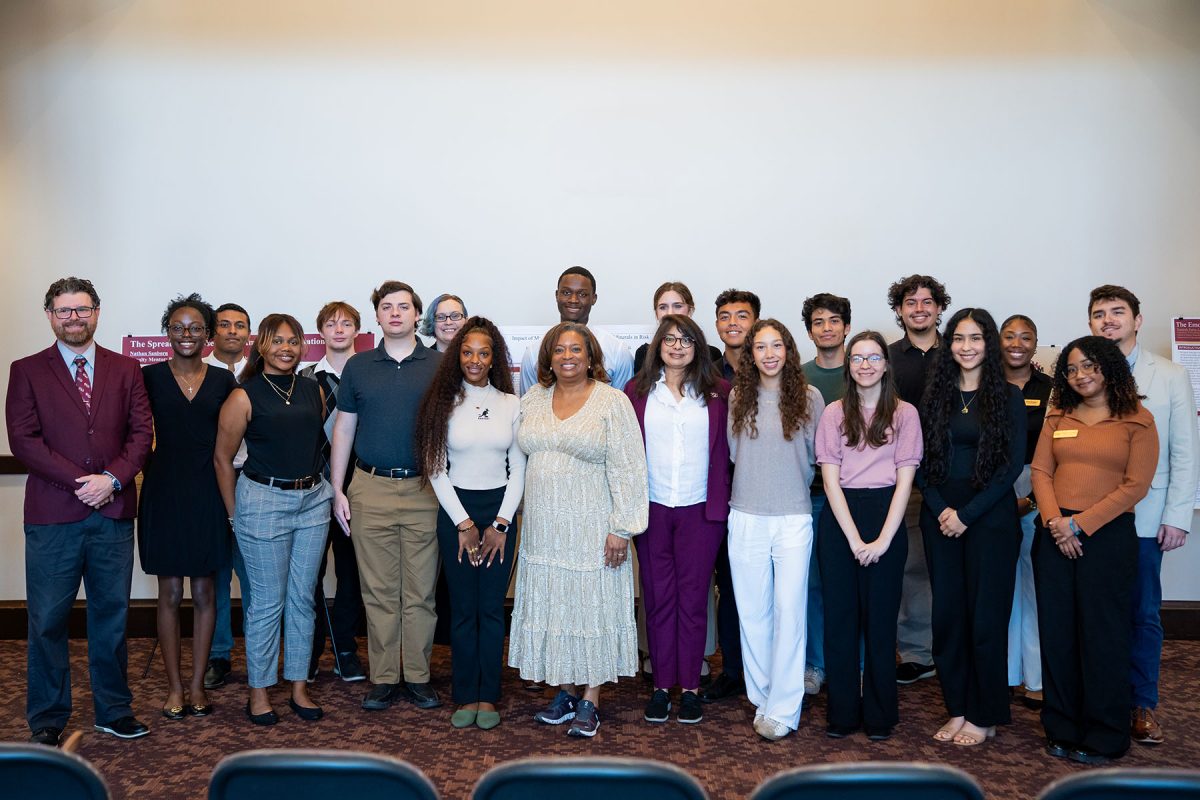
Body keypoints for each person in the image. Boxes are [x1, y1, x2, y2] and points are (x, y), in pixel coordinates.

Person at [6, 277, 153, 745]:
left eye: (82, 309)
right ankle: (48, 717)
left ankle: (113, 709)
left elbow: (140, 434)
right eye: (64, 311)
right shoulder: (26, 370)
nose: (74, 318)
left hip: (111, 514)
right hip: (53, 517)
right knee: (47, 620)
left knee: (111, 617)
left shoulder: (127, 368)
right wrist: (81, 483)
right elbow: (24, 441)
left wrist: (112, 480)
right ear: (50, 315)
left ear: (97, 312)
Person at [509, 322, 649, 738]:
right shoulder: (533, 399)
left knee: (592, 608)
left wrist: (622, 528)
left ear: (591, 358)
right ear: (548, 358)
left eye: (576, 349)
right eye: (559, 350)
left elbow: (630, 468)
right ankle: (566, 692)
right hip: (544, 529)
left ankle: (591, 698)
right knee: (556, 606)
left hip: (593, 527)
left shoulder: (612, 402)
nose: (567, 356)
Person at [1032, 335, 1158, 765]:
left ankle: (1106, 733)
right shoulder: (1057, 416)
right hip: (1053, 533)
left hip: (1105, 537)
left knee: (1102, 635)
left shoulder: (1138, 419)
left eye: (1089, 366)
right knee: (1058, 632)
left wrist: (1079, 526)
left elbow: (1135, 486)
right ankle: (1061, 725)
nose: (1080, 375)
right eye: (1071, 368)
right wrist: (1056, 523)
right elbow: (1041, 471)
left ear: (1108, 368)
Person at [1087, 285, 1199, 746]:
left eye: (1118, 312)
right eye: (1099, 314)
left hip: (1146, 516)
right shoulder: (1081, 374)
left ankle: (1141, 704)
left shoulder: (1169, 376)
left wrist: (1178, 516)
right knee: (1095, 613)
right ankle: (1100, 699)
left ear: (1137, 319)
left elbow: (1186, 453)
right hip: (1090, 514)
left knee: (1142, 613)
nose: (1108, 320)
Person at [330, 281, 443, 711]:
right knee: (377, 591)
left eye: (403, 307)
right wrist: (338, 489)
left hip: (424, 489)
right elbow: (344, 428)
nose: (395, 313)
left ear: (417, 315)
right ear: (376, 317)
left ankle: (416, 675)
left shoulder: (438, 365)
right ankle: (383, 677)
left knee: (419, 592)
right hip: (369, 488)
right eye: (386, 307)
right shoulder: (358, 367)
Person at [215, 314, 332, 725]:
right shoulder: (243, 396)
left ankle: (299, 687)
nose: (287, 348)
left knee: (302, 599)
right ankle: (259, 691)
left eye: (294, 340)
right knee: (267, 603)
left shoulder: (312, 389)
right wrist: (235, 514)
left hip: (313, 501)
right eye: (277, 340)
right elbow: (222, 459)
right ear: (261, 345)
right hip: (262, 503)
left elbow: (316, 443)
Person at [918, 308, 1025, 747]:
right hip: (940, 517)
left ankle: (985, 714)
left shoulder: (1009, 397)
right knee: (948, 618)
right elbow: (919, 462)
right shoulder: (935, 396)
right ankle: (958, 708)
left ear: (989, 343)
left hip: (990, 521)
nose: (966, 346)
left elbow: (1010, 467)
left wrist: (967, 514)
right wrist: (944, 508)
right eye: (959, 338)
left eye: (976, 338)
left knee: (985, 619)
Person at [416, 317, 526, 730]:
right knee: (463, 608)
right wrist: (464, 523)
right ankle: (466, 694)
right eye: (467, 352)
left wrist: (499, 523)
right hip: (456, 513)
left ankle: (489, 696)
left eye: (483, 352)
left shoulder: (511, 403)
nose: (475, 360)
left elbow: (519, 468)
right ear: (456, 356)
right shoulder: (442, 402)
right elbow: (436, 469)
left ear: (494, 356)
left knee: (491, 608)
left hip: (500, 513)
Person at [624, 315, 731, 725]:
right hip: (651, 508)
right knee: (657, 598)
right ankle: (659, 687)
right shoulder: (636, 392)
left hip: (701, 511)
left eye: (686, 339)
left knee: (693, 600)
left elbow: (728, 452)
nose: (677, 345)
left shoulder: (719, 392)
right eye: (669, 339)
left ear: (698, 346)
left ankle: (689, 688)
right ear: (657, 345)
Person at [816, 331, 921, 741]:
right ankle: (842, 713)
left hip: (887, 515)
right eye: (857, 358)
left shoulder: (905, 414)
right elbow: (829, 479)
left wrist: (880, 541)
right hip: (841, 518)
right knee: (840, 621)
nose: (865, 365)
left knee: (880, 623)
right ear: (849, 365)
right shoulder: (833, 413)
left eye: (873, 357)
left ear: (886, 364)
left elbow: (905, 481)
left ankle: (879, 715)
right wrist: (855, 540)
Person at [138, 294, 237, 721]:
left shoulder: (224, 383)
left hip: (209, 492)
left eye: (195, 328)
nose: (186, 335)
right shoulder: (147, 378)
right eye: (178, 327)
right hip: (163, 491)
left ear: (208, 335)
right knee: (170, 592)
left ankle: (198, 684)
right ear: (167, 332)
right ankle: (175, 686)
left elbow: (235, 444)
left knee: (205, 591)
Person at [727, 318, 825, 741]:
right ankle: (764, 696)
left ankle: (785, 708)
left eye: (776, 345)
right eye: (760, 347)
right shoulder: (738, 397)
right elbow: (734, 452)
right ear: (751, 355)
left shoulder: (809, 397)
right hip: (746, 514)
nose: (769, 354)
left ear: (788, 350)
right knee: (752, 611)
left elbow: (816, 456)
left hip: (792, 517)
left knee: (789, 610)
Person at [886, 274, 951, 686]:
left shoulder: (961, 351)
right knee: (913, 567)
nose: (920, 308)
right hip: (902, 477)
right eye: (911, 302)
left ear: (939, 308)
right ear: (899, 311)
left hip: (956, 477)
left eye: (928, 302)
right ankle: (916, 652)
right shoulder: (886, 358)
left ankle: (953, 647)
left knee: (953, 568)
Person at [301, 301, 367, 683]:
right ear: (320, 332)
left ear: (357, 330)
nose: (339, 329)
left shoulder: (367, 375)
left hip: (359, 492)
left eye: (346, 323)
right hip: (312, 490)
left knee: (351, 575)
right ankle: (308, 649)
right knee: (309, 575)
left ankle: (345, 648)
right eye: (331, 323)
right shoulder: (305, 377)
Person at [702, 288, 761, 704]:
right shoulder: (707, 375)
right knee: (729, 586)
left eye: (743, 315)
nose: (734, 322)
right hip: (721, 497)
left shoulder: (774, 369)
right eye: (726, 316)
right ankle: (734, 670)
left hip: (767, 497)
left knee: (766, 588)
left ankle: (769, 669)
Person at [800, 292, 852, 697]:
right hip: (815, 496)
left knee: (856, 584)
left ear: (846, 327)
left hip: (861, 495)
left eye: (834, 321)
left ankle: (857, 664)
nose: (827, 328)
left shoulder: (865, 370)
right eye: (819, 322)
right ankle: (815, 664)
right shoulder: (798, 378)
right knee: (814, 584)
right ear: (810, 331)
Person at [1000, 314, 1052, 710]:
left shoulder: (1051, 390)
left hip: (1039, 489)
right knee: (1001, 587)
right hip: (992, 492)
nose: (1017, 343)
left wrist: (1033, 500)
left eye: (1026, 337)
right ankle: (1004, 673)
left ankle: (1034, 676)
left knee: (1034, 586)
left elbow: (1056, 451)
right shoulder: (983, 385)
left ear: (1036, 344)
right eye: (1009, 336)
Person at [204, 302, 253, 690]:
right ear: (212, 332)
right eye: (225, 325)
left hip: (253, 482)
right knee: (215, 576)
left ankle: (258, 653)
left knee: (254, 575)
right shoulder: (198, 372)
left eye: (240, 325)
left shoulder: (260, 372)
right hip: (208, 481)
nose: (232, 331)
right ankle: (218, 655)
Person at [518, 267, 634, 395]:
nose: (573, 300)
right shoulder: (534, 352)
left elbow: (623, 407)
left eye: (582, 294)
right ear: (557, 295)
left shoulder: (618, 351)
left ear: (594, 298)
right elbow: (528, 405)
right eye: (566, 293)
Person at [631, 282, 723, 373]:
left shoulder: (711, 354)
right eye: (663, 307)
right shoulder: (644, 354)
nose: (670, 313)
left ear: (690, 311)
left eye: (677, 306)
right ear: (656, 313)